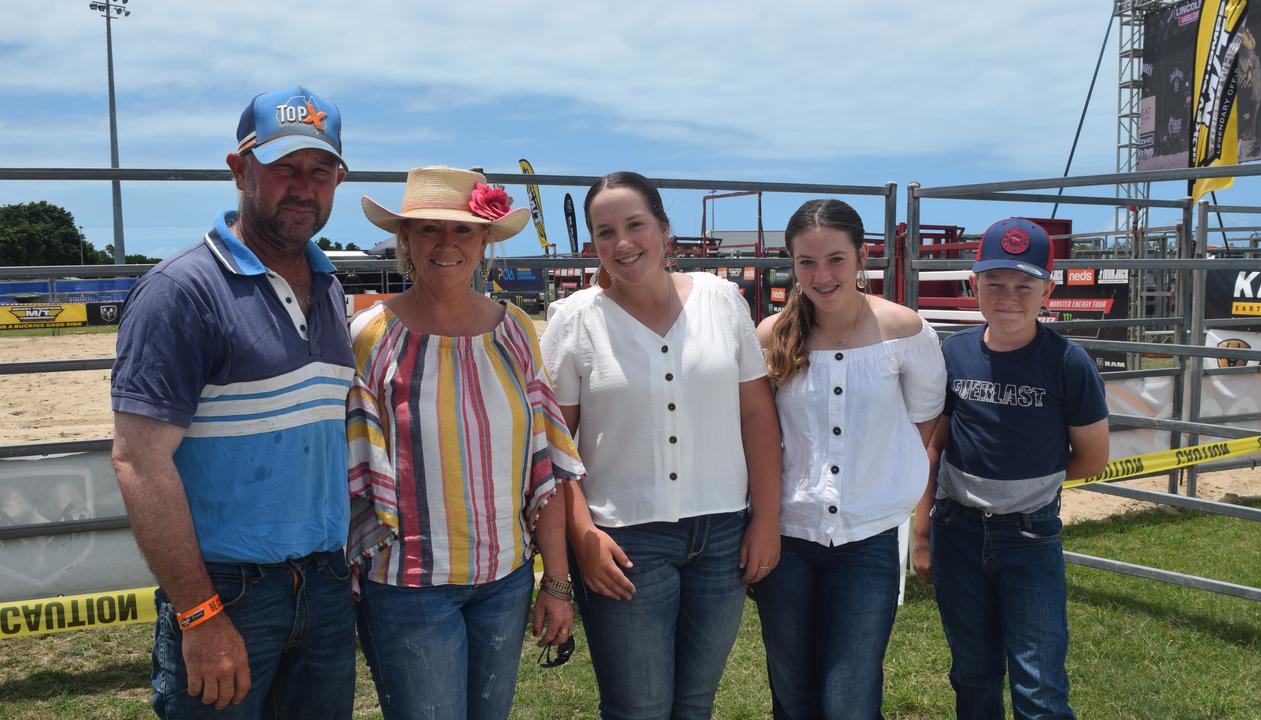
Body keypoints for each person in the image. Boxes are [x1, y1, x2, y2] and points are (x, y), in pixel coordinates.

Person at [110, 85, 356, 718]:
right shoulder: (180, 291)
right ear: (239, 168)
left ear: (338, 180)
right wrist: (199, 613)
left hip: (326, 583)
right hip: (226, 590)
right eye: (284, 167)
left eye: (320, 169)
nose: (303, 185)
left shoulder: (330, 289)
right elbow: (139, 461)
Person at [539, 171, 782, 720]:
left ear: (663, 230)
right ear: (593, 244)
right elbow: (555, 447)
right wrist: (583, 536)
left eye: (635, 225)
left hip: (722, 535)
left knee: (695, 704)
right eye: (605, 232)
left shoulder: (723, 300)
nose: (622, 243)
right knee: (638, 706)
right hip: (624, 542)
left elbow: (756, 414)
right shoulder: (575, 321)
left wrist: (766, 517)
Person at [347, 166, 584, 720]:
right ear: (405, 241)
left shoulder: (517, 332)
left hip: (504, 581)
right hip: (408, 587)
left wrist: (557, 580)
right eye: (429, 229)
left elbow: (544, 465)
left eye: (463, 231)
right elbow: (353, 473)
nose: (446, 244)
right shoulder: (368, 337)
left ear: (484, 242)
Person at [752, 199, 945, 719]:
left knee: (850, 698)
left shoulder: (904, 330)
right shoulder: (770, 337)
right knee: (792, 692)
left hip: (868, 540)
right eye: (806, 262)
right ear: (791, 264)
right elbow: (759, 434)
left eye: (836, 259)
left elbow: (924, 420)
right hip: (787, 539)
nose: (822, 275)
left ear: (862, 258)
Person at [912, 218, 1110, 720]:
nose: (1008, 298)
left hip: (1031, 538)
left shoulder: (1068, 363)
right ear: (973, 285)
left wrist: (1031, 484)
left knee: (1039, 681)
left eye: (1025, 285)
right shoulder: (953, 353)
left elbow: (1092, 456)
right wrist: (921, 532)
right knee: (972, 672)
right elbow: (934, 446)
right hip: (955, 530)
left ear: (1048, 289)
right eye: (994, 284)